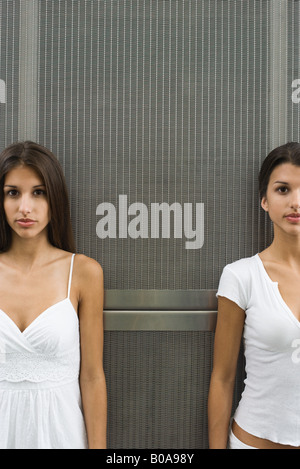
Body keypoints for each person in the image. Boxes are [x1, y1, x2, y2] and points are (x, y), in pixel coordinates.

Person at [0, 141, 107, 449]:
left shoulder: (84, 273)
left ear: (55, 197)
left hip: (62, 435)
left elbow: (91, 377)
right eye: (13, 193)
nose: (25, 208)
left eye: (39, 192)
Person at [208, 142, 300, 449]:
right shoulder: (241, 276)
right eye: (283, 190)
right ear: (264, 200)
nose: (295, 202)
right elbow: (222, 379)